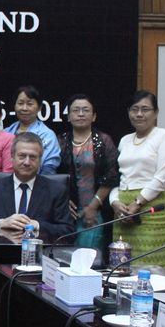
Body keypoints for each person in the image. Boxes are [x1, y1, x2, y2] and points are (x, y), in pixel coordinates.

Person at [109, 91, 165, 268]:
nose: (139, 114)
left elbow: (163, 176)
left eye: (145, 109)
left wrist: (138, 202)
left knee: (150, 267)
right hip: (123, 211)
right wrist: (114, 201)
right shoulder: (125, 140)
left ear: (155, 113)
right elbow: (117, 177)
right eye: (134, 109)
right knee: (122, 263)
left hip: (152, 207)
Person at [0, 132, 71, 240]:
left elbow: (68, 231)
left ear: (40, 160)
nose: (27, 162)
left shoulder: (56, 191)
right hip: (2, 254)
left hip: (41, 254)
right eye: (22, 156)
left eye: (32, 157)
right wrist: (1, 223)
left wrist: (38, 226)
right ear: (12, 157)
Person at [56, 94, 119, 251]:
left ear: (94, 116)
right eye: (75, 110)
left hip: (94, 210)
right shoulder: (60, 141)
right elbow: (52, 175)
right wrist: (62, 201)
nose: (81, 114)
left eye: (86, 110)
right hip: (64, 212)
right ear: (69, 116)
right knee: (62, 258)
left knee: (88, 258)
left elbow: (111, 175)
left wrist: (93, 206)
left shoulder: (104, 141)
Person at [4, 85, 61, 174]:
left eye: (30, 104)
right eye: (20, 103)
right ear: (14, 106)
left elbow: (49, 170)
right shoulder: (6, 132)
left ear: (39, 108)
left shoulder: (47, 135)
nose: (24, 108)